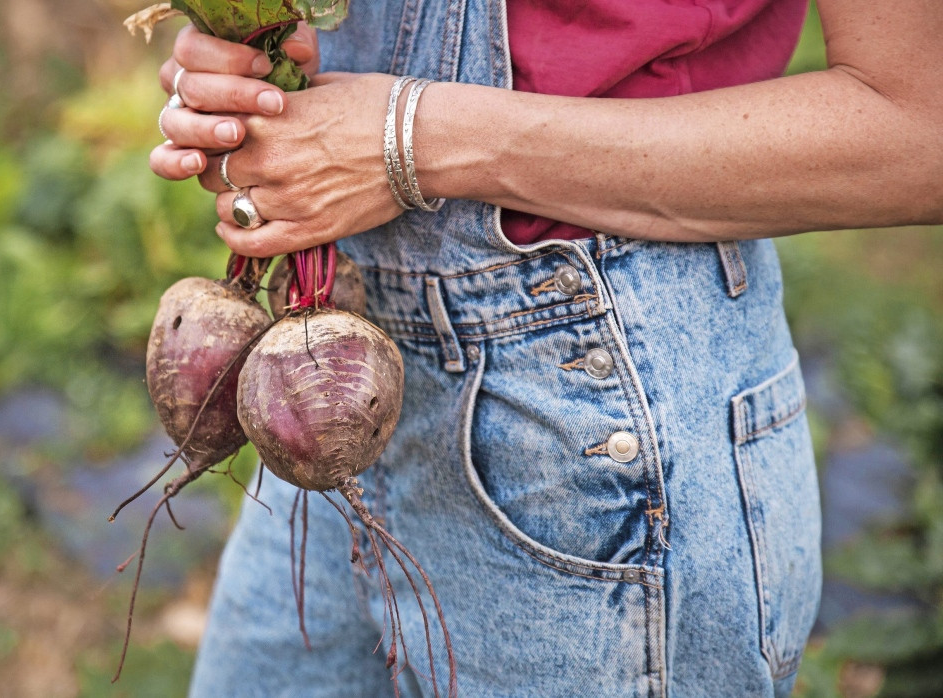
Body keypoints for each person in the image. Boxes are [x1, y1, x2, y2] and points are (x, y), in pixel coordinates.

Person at [149, 1, 943, 696]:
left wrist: (412, 138)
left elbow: (919, 131)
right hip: (336, 388)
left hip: (596, 428)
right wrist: (246, 71)